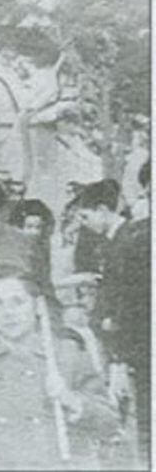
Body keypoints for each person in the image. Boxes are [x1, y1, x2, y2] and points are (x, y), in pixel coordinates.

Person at [0, 263, 118, 469]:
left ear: (37, 306)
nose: (8, 312)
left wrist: (71, 399)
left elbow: (110, 424)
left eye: (18, 302)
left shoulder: (66, 354)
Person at [76, 180, 152, 464]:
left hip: (131, 345)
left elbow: (131, 300)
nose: (85, 225)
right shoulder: (119, 240)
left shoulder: (130, 241)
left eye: (86, 217)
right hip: (124, 342)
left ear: (103, 209)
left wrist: (119, 352)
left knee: (137, 412)